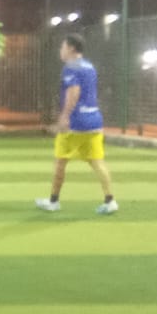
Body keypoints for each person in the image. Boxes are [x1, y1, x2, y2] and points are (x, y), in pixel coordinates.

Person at [36, 33, 117, 215]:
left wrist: (65, 116)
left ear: (71, 48)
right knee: (97, 162)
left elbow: (74, 92)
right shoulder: (89, 66)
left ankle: (53, 201)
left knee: (60, 162)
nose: (61, 50)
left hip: (76, 123)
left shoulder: (70, 68)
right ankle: (110, 200)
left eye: (63, 47)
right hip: (94, 120)